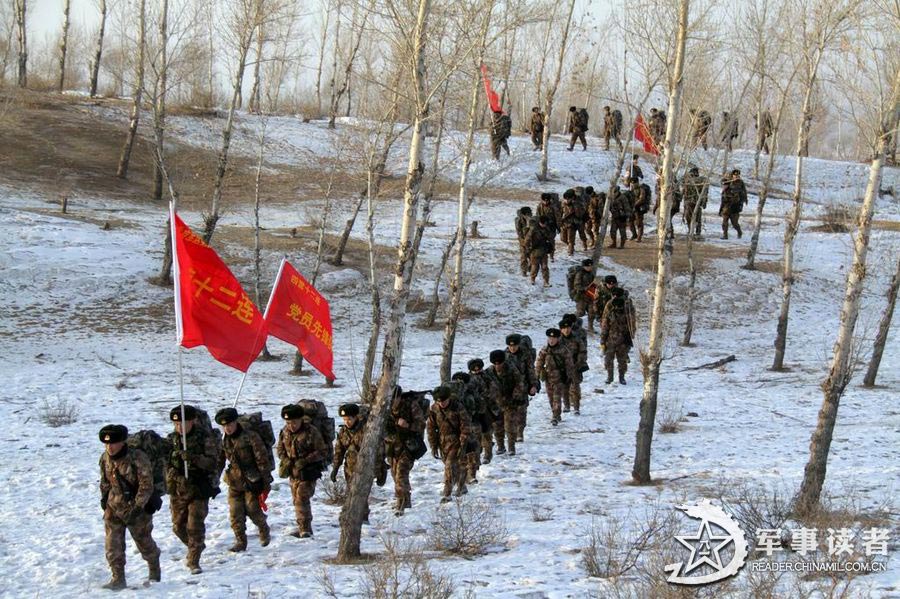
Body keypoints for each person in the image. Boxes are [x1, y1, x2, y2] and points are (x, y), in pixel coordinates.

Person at [98, 424, 161, 590]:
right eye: (106, 444)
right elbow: (105, 481)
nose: (109, 447)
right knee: (113, 545)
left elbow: (146, 485)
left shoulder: (137, 458)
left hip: (137, 508)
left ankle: (154, 566)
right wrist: (104, 500)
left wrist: (138, 507)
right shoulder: (105, 458)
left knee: (144, 543)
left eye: (113, 443)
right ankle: (118, 578)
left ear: (122, 442)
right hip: (114, 507)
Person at [166, 405, 219, 574]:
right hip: (179, 489)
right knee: (177, 527)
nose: (180, 427)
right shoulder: (172, 440)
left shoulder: (205, 438)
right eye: (176, 424)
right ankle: (196, 545)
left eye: (183, 423)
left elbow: (212, 463)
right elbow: (164, 464)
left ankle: (193, 559)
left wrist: (194, 458)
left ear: (192, 421)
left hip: (198, 488)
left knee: (194, 525)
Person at [214, 408, 271, 553]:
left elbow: (262, 459)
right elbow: (220, 461)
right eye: (224, 426)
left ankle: (263, 529)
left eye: (230, 425)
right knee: (235, 513)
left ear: (236, 423)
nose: (227, 428)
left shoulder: (250, 437)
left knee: (252, 509)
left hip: (253, 480)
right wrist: (213, 479)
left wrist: (265, 481)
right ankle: (240, 541)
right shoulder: (224, 440)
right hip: (234, 481)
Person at [277, 403, 328, 538]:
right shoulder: (285, 432)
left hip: (308, 471)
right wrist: (286, 461)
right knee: (296, 500)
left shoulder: (312, 432)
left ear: (301, 419)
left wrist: (306, 460)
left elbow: (322, 451)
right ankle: (304, 527)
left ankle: (305, 529)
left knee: (301, 498)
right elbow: (280, 450)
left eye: (294, 422)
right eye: (288, 422)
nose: (291, 425)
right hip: (293, 472)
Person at [331, 403, 386, 523]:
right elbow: (339, 451)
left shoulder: (367, 430)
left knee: (360, 493)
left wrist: (380, 470)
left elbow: (379, 451)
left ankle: (363, 518)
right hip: (349, 468)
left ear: (356, 417)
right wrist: (335, 468)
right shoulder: (343, 432)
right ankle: (354, 517)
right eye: (345, 419)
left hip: (366, 468)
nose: (347, 422)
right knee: (352, 493)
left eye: (349, 419)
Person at [385, 388, 427, 515]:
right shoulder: (385, 408)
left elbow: (421, 424)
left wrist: (407, 426)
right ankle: (406, 499)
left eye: (395, 399)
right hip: (392, 447)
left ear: (400, 398)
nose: (392, 402)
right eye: (390, 399)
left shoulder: (410, 406)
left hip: (408, 446)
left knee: (401, 474)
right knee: (394, 474)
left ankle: (400, 504)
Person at [427, 385, 472, 502]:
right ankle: (462, 486)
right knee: (453, 467)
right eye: (439, 401)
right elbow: (431, 428)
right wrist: (433, 445)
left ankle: (447, 493)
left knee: (449, 466)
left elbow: (466, 425)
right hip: (443, 443)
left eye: (444, 401)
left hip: (457, 441)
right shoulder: (434, 409)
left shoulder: (458, 407)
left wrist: (463, 442)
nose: (442, 403)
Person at [483, 349, 525, 456]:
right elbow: (483, 386)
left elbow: (520, 383)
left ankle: (511, 447)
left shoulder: (512, 370)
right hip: (496, 404)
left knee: (510, 426)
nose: (498, 366)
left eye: (500, 363)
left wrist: (515, 396)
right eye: (495, 363)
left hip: (510, 403)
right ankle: (500, 446)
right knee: (497, 426)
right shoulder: (488, 373)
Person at [535, 328, 578, 426]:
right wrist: (536, 376)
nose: (551, 340)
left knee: (557, 397)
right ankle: (556, 413)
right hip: (548, 378)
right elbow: (539, 363)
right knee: (551, 398)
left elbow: (569, 365)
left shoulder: (564, 350)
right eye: (550, 338)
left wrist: (569, 377)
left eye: (553, 338)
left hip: (559, 379)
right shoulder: (544, 350)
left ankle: (555, 416)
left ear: (558, 339)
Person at [450, 372, 485, 483]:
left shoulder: (471, 393)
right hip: (458, 428)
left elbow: (481, 407)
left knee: (471, 451)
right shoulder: (451, 396)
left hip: (470, 425)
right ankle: (463, 476)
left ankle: (470, 475)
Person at [505, 333, 539, 443]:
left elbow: (530, 371)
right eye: (510, 346)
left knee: (521, 412)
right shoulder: (503, 356)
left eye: (514, 346)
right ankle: (511, 434)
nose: (512, 348)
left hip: (522, 388)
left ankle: (520, 432)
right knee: (509, 413)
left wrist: (533, 385)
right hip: (508, 389)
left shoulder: (525, 355)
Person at [601, 287, 637, 384]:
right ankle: (610, 377)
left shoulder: (628, 306)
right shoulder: (610, 305)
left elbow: (632, 322)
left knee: (622, 360)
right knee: (608, 359)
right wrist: (603, 340)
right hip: (611, 338)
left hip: (624, 338)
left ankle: (622, 377)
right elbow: (605, 324)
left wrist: (631, 335)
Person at [468, 358, 499, 464]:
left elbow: (494, 390)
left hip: (487, 409)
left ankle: (488, 455)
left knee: (487, 433)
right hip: (474, 411)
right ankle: (477, 455)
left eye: (479, 369)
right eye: (474, 370)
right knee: (476, 434)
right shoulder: (467, 379)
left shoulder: (487, 377)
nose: (477, 372)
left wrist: (486, 398)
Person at [558, 317, 587, 415]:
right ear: (561, 329)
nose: (566, 330)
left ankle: (576, 407)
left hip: (575, 366)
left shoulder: (577, 339)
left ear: (571, 328)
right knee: (564, 387)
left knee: (575, 387)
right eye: (564, 328)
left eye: (568, 328)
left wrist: (579, 362)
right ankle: (566, 405)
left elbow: (582, 351)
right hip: (562, 367)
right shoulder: (557, 340)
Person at [719, 169, 748, 239]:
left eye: (737, 175)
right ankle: (725, 235)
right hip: (726, 205)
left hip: (735, 206)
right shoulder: (728, 181)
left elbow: (744, 192)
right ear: (732, 175)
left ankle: (739, 232)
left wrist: (744, 200)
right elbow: (722, 182)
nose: (736, 176)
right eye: (735, 175)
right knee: (724, 222)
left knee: (734, 223)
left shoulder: (740, 183)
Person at [525, 216, 553, 287]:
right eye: (542, 223)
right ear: (539, 222)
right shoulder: (533, 229)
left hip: (544, 251)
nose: (544, 225)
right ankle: (532, 279)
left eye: (545, 224)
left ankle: (546, 281)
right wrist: (528, 248)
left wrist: (550, 247)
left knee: (545, 267)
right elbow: (527, 239)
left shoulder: (547, 229)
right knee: (535, 266)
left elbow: (550, 238)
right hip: (535, 251)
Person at [681, 166, 709, 238]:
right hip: (688, 201)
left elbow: (705, 192)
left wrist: (704, 202)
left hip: (697, 202)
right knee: (688, 216)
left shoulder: (701, 180)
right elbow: (683, 190)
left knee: (697, 217)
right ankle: (691, 230)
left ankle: (698, 232)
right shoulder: (687, 180)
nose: (693, 175)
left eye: (694, 174)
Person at [560, 189, 588, 255]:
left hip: (577, 222)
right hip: (566, 222)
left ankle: (573, 248)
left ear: (572, 198)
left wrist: (574, 206)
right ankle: (570, 245)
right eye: (565, 199)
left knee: (581, 235)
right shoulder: (564, 203)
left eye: (568, 199)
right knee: (563, 238)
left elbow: (580, 214)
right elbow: (561, 211)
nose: (566, 200)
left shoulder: (579, 202)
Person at [607, 185, 632, 249]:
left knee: (622, 232)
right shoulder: (611, 198)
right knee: (612, 231)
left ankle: (622, 245)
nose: (614, 193)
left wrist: (627, 216)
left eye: (615, 192)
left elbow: (627, 207)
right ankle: (614, 243)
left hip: (622, 217)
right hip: (614, 217)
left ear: (618, 191)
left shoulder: (623, 198)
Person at [536, 192, 560, 260]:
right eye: (544, 200)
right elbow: (537, 216)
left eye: (547, 200)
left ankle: (552, 256)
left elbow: (558, 218)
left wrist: (558, 227)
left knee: (551, 241)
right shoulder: (539, 206)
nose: (546, 202)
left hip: (551, 227)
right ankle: (543, 255)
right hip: (542, 226)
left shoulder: (554, 207)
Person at [629, 177, 651, 242]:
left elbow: (642, 199)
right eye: (632, 183)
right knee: (630, 221)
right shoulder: (632, 189)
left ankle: (639, 237)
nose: (633, 184)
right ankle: (634, 234)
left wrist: (635, 204)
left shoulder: (641, 189)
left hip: (639, 208)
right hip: (633, 208)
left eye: (634, 183)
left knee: (639, 223)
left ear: (637, 182)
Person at [515, 206, 533, 277]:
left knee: (532, 256)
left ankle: (530, 267)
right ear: (523, 215)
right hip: (523, 240)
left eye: (530, 213)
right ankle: (524, 271)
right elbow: (519, 233)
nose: (530, 215)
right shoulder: (518, 221)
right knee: (524, 256)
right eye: (528, 214)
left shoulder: (533, 220)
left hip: (532, 241)